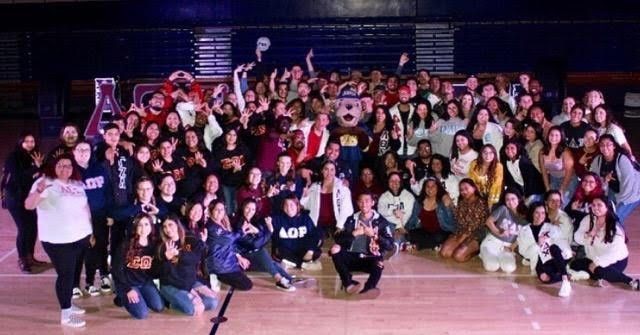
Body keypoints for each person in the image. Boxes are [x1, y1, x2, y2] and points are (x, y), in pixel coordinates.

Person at [24, 154, 92, 328]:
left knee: (74, 274)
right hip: (58, 240)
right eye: (60, 165)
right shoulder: (46, 183)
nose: (65, 168)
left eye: (68, 165)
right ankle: (66, 314)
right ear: (54, 166)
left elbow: (85, 208)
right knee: (65, 276)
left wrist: (90, 231)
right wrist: (39, 191)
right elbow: (29, 205)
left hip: (80, 237)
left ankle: (68, 304)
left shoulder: (77, 184)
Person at [330, 192, 395, 296]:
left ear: (372, 203)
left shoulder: (381, 221)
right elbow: (338, 239)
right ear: (357, 203)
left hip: (370, 258)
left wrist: (375, 235)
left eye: (367, 201)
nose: (364, 204)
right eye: (361, 201)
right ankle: (349, 284)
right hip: (351, 256)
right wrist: (353, 233)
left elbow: (390, 245)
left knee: (379, 262)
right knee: (335, 249)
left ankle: (369, 288)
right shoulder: (351, 220)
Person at [570, 196, 640, 290]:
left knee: (599, 270)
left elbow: (615, 253)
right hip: (593, 257)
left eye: (599, 205)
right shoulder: (588, 219)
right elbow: (577, 238)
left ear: (607, 208)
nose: (595, 208)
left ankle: (631, 281)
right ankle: (599, 275)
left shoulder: (615, 227)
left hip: (616, 260)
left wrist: (597, 263)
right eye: (593, 205)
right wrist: (588, 235)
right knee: (574, 265)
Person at [73, 140, 114, 296]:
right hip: (78, 218)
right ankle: (75, 284)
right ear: (74, 152)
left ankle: (101, 276)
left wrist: (110, 213)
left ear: (91, 153)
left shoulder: (100, 169)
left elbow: (108, 192)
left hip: (99, 215)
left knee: (101, 246)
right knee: (80, 250)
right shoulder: (70, 171)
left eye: (86, 150)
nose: (83, 153)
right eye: (80, 150)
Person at [1, 132, 46, 273]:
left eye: (32, 141)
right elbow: (19, 177)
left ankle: (30, 257)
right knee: (24, 228)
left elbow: (36, 176)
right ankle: (22, 260)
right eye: (26, 141)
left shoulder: (34, 156)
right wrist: (36, 167)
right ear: (21, 142)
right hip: (14, 197)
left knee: (33, 228)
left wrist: (40, 168)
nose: (30, 143)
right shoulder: (13, 157)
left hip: (29, 197)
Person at [158, 215, 218, 316]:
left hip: (189, 281)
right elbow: (162, 273)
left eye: (170, 225)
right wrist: (167, 259)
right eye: (164, 226)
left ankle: (176, 302)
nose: (167, 229)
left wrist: (179, 254)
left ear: (177, 225)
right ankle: (172, 301)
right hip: (170, 285)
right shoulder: (161, 246)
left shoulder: (190, 238)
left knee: (212, 303)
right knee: (193, 310)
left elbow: (195, 259)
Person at [234, 199, 296, 291]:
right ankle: (279, 280)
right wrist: (269, 231)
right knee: (262, 252)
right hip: (242, 260)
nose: (250, 211)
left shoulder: (254, 222)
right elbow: (255, 244)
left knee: (270, 261)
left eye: (253, 209)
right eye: (247, 208)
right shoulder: (238, 223)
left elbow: (263, 241)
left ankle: (289, 279)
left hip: (254, 256)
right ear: (242, 207)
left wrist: (259, 232)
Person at [111, 213, 164, 319]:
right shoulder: (126, 244)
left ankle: (138, 296)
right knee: (142, 314)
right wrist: (127, 289)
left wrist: (165, 257)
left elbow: (156, 270)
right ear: (135, 227)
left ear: (151, 226)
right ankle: (122, 296)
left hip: (145, 282)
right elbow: (116, 269)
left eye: (146, 224)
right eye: (140, 225)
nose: (143, 228)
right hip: (128, 283)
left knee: (159, 307)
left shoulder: (155, 244)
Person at [518, 202, 573, 297]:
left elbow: (563, 243)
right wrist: (538, 244)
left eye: (543, 213)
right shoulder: (524, 230)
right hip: (539, 261)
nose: (540, 216)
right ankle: (566, 274)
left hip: (554, 257)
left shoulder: (552, 228)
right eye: (537, 213)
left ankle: (565, 280)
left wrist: (566, 253)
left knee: (554, 247)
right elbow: (523, 252)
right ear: (532, 213)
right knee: (544, 278)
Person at [590, 134, 640, 226]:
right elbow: (592, 180)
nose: (605, 147)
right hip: (613, 190)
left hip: (632, 193)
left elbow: (628, 185)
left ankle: (619, 238)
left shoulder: (622, 160)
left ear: (614, 146)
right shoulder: (598, 160)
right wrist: (604, 181)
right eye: (602, 145)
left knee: (614, 218)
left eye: (608, 144)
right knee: (601, 212)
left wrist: (617, 203)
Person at [205, 200, 253, 291]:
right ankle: (215, 275)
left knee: (245, 271)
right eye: (216, 209)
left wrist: (238, 257)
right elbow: (229, 239)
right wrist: (241, 231)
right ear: (211, 211)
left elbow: (230, 244)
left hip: (229, 260)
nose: (220, 212)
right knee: (247, 285)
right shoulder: (211, 226)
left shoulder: (223, 223)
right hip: (219, 264)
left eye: (222, 209)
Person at [439, 178, 489, 262]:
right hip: (461, 231)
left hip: (475, 234)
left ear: (474, 188)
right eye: (461, 190)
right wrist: (451, 204)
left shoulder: (481, 203)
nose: (463, 191)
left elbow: (472, 227)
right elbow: (457, 218)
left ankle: (477, 250)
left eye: (466, 188)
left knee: (458, 257)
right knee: (444, 253)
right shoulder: (462, 202)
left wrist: (459, 241)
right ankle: (463, 246)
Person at [479, 189, 528, 273]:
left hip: (507, 247)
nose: (510, 202)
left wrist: (512, 247)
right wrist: (498, 232)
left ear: (519, 199)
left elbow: (523, 235)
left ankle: (497, 257)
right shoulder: (503, 209)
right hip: (492, 242)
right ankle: (484, 253)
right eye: (507, 199)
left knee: (509, 268)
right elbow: (488, 222)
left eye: (513, 199)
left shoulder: (525, 216)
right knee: (492, 266)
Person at [301, 160, 354, 236]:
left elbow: (347, 209)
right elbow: (306, 206)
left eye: (332, 169)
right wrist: (305, 195)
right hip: (318, 225)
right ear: (322, 171)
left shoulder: (342, 187)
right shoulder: (314, 186)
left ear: (335, 171)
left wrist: (339, 226)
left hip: (336, 225)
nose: (329, 172)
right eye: (326, 169)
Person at [270, 195, 322, 270]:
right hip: (286, 251)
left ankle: (292, 264)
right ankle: (303, 265)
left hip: (302, 250)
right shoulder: (277, 218)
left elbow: (314, 235)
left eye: (291, 205)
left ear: (297, 206)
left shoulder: (305, 218)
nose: (288, 208)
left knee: (317, 251)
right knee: (278, 255)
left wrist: (310, 250)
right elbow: (275, 239)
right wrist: (270, 229)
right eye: (286, 205)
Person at [405, 178, 455, 250]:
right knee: (410, 234)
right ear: (424, 188)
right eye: (427, 186)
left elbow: (451, 220)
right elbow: (413, 218)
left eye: (433, 186)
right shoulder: (419, 202)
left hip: (442, 231)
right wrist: (406, 229)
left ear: (438, 188)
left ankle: (418, 245)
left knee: (438, 237)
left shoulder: (443, 201)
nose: (430, 188)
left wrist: (450, 205)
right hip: (425, 231)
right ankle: (434, 245)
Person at [540, 126, 577, 204]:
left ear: (561, 137)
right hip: (554, 179)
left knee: (563, 203)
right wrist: (547, 188)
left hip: (568, 180)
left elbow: (569, 173)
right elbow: (544, 172)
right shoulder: (542, 151)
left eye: (557, 135)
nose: (553, 137)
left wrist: (562, 190)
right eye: (551, 135)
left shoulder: (566, 152)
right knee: (549, 202)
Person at [377, 172, 416, 245]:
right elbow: (380, 212)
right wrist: (392, 211)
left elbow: (409, 214)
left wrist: (401, 227)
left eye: (397, 180)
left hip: (406, 226)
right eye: (391, 181)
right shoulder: (384, 197)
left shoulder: (409, 196)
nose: (394, 183)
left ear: (401, 182)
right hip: (391, 227)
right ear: (388, 182)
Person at [501, 139, 545, 204]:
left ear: (518, 149)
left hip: (535, 191)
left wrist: (524, 197)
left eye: (512, 148)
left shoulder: (523, 162)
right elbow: (511, 182)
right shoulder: (507, 162)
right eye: (507, 148)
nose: (509, 150)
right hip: (523, 192)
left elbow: (530, 181)